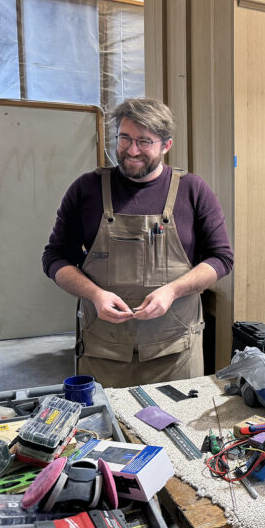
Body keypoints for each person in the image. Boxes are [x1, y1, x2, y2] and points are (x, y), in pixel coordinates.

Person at [43, 98, 233, 388]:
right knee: (105, 430)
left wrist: (172, 291)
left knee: (173, 428)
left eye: (144, 142)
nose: (132, 151)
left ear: (166, 145)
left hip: (175, 352)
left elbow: (221, 259)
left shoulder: (193, 191)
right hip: (103, 352)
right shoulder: (86, 189)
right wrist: (95, 294)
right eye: (125, 138)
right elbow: (55, 258)